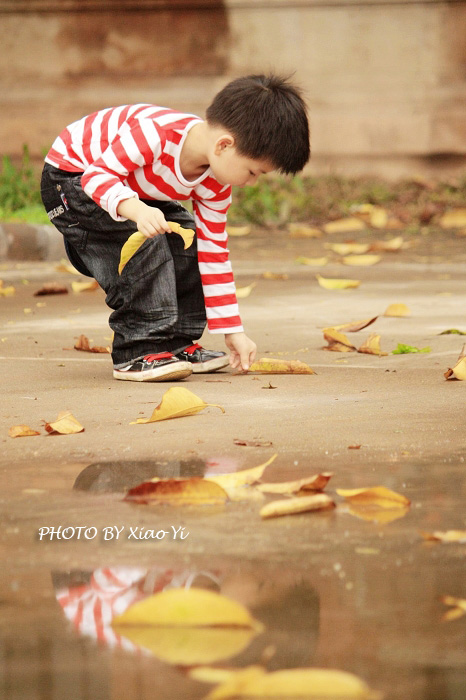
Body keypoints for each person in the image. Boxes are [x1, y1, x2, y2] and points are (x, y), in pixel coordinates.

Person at [40, 74, 310, 382]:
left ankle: (176, 342)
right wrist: (137, 210)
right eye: (253, 171)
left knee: (187, 237)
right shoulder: (155, 134)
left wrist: (232, 330)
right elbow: (97, 177)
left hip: (131, 189)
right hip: (72, 177)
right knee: (144, 238)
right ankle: (137, 350)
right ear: (224, 145)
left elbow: (214, 253)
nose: (251, 181)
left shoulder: (215, 183)